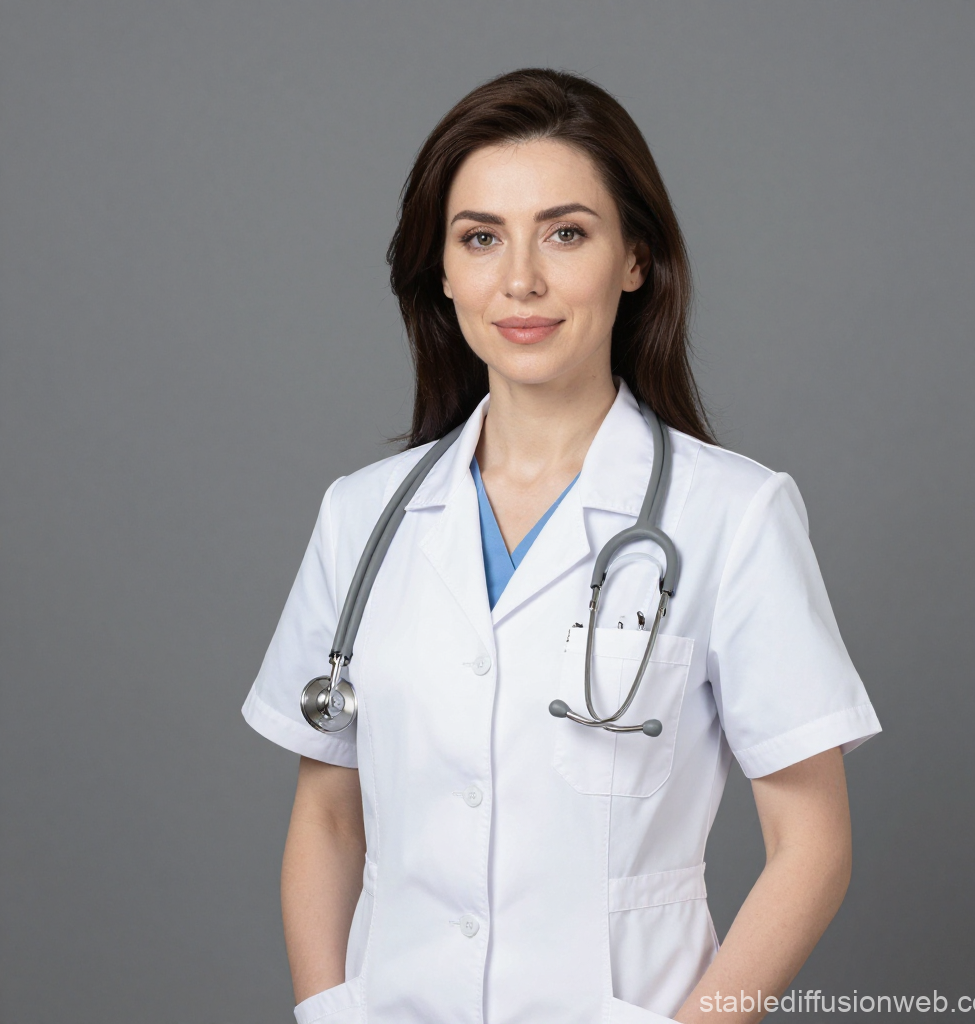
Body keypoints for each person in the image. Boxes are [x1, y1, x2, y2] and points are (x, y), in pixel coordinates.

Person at [242, 68, 881, 1024]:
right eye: (481, 238)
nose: (521, 281)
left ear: (634, 259)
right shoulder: (361, 516)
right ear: (443, 271)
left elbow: (813, 843)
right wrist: (328, 1011)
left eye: (567, 233)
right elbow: (331, 814)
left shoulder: (733, 515)